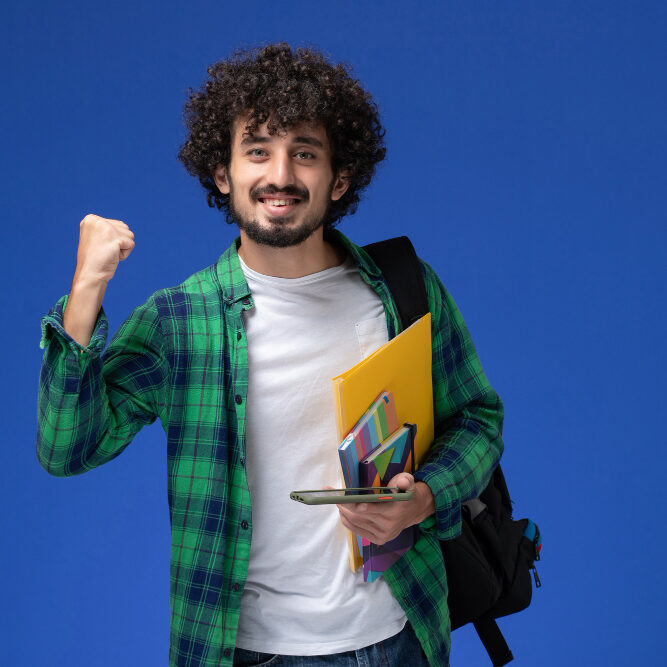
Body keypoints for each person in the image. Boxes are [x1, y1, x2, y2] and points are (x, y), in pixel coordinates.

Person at [37, 43, 504, 667]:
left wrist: (424, 496)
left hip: (403, 639)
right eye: (257, 150)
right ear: (222, 174)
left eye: (304, 153)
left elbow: (478, 419)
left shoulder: (401, 288)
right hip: (253, 655)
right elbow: (67, 448)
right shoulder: (182, 322)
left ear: (338, 178)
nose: (279, 175)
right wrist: (85, 291)